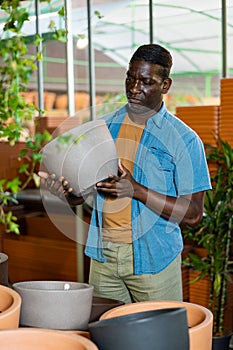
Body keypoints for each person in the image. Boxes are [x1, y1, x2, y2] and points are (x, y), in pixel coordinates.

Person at [39, 43, 211, 304]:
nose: (134, 89)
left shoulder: (184, 140)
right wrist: (66, 193)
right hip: (103, 258)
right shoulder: (105, 127)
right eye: (130, 79)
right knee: (107, 335)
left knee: (157, 341)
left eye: (145, 82)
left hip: (154, 261)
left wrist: (137, 190)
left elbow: (194, 213)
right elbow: (83, 195)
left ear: (165, 85)